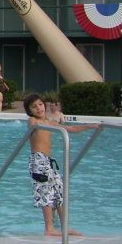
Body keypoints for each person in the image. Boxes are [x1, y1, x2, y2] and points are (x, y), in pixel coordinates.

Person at [24, 93, 98, 236]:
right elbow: (33, 125)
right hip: (38, 160)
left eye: (40, 104)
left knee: (58, 190)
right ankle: (49, 228)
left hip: (49, 161)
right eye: (34, 107)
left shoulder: (49, 122)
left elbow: (71, 129)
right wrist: (40, 122)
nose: (38, 108)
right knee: (45, 192)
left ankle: (64, 226)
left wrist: (92, 126)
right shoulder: (33, 120)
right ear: (30, 111)